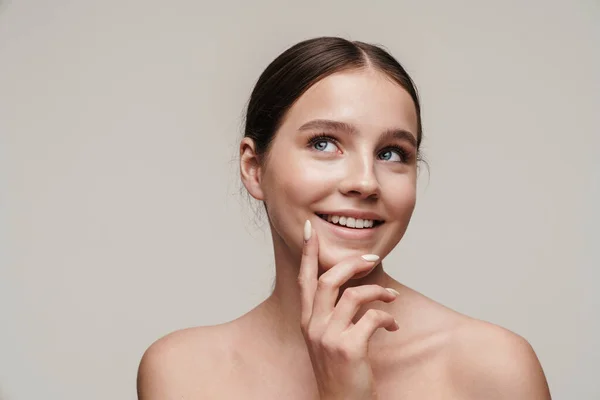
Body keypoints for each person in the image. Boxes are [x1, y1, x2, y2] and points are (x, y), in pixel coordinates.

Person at [136, 36, 551, 399]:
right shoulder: (183, 372)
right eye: (324, 143)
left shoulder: (494, 367)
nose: (365, 182)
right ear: (253, 167)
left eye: (392, 153)